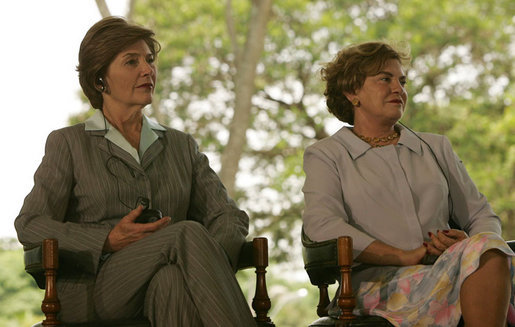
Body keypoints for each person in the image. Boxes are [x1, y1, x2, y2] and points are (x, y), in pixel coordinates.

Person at [15, 16, 256, 327]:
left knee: (172, 280)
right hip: (100, 290)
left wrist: (204, 261)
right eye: (131, 62)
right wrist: (106, 239)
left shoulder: (181, 145)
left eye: (149, 59)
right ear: (100, 78)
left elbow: (229, 216)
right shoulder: (68, 143)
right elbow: (30, 224)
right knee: (186, 232)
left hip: (170, 280)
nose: (148, 70)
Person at [302, 41, 514, 327]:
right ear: (352, 93)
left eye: (401, 81)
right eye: (384, 79)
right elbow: (322, 225)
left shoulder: (436, 147)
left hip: (446, 271)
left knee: (489, 251)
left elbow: (482, 216)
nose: (398, 89)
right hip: (375, 285)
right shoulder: (326, 155)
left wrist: (469, 243)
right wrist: (401, 256)